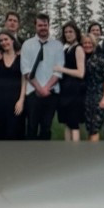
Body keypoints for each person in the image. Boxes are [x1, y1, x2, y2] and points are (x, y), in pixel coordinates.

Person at [19, 12, 64, 141]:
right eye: (40, 25)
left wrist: (46, 88)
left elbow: (59, 70)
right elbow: (26, 70)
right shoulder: (27, 45)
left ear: (49, 25)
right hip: (33, 93)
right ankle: (32, 158)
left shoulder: (57, 45)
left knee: (46, 127)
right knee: (32, 127)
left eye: (45, 25)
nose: (43, 27)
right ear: (35, 26)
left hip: (51, 93)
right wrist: (39, 89)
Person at [55, 21, 87, 144]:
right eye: (66, 32)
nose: (68, 34)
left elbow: (80, 73)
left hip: (75, 90)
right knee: (67, 123)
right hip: (65, 89)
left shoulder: (78, 48)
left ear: (76, 33)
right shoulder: (66, 48)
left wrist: (61, 69)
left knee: (73, 124)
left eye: (71, 32)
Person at [80, 33, 104, 142]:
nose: (87, 45)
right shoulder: (82, 58)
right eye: (85, 43)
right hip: (87, 97)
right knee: (90, 128)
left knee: (94, 129)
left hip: (98, 97)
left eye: (90, 43)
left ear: (94, 44)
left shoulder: (100, 59)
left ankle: (92, 155)